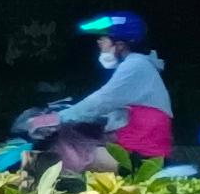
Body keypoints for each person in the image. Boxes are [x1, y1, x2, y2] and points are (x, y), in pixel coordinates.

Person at [13, 11, 173, 178]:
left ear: (120, 44)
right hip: (132, 148)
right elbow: (106, 110)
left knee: (44, 159)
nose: (99, 42)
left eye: (103, 38)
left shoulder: (136, 66)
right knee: (71, 140)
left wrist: (55, 119)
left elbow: (100, 102)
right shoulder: (137, 66)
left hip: (138, 156)